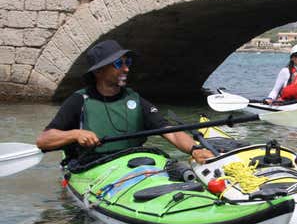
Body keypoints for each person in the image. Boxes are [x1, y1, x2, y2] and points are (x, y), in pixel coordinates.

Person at [36, 39, 214, 165]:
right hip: (92, 167)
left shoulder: (135, 100)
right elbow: (43, 140)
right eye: (118, 64)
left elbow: (171, 132)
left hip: (133, 164)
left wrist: (195, 150)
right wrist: (74, 134)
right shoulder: (79, 100)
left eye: (127, 62)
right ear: (98, 71)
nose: (126, 68)